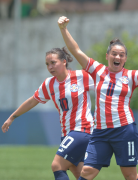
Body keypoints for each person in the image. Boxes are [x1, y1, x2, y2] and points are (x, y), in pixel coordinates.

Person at [57, 16, 138, 180]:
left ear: (125, 59)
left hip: (124, 131)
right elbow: (76, 51)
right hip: (100, 132)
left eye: (121, 55)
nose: (117, 57)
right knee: (87, 171)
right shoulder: (97, 70)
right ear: (107, 56)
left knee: (130, 175)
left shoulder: (131, 76)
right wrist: (63, 29)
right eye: (114, 54)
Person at [2, 47, 95, 180]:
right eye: (47, 64)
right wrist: (12, 117)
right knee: (78, 173)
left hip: (82, 130)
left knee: (57, 165)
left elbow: (104, 83)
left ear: (64, 61)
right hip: (67, 134)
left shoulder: (81, 76)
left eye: (53, 62)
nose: (50, 67)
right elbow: (31, 102)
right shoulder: (49, 84)